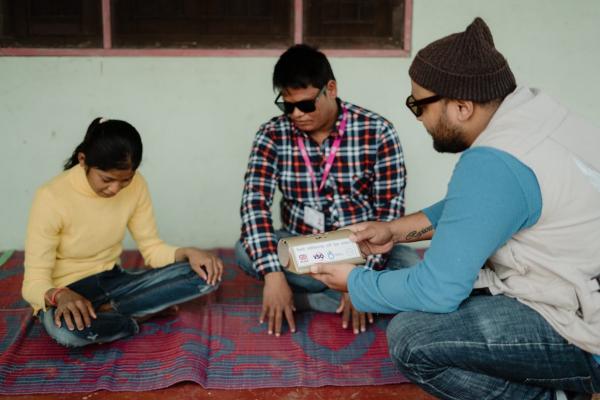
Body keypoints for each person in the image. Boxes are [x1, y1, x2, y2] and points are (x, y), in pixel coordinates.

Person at [310, 17, 600, 400]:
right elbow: (474, 208)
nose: (418, 118)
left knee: (412, 338)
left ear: (462, 107)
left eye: (420, 105)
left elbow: (437, 291)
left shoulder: (492, 163)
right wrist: (393, 231)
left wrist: (355, 283)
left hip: (586, 331)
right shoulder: (536, 115)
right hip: (581, 285)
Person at [236, 44, 420, 337]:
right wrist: (272, 275)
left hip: (362, 248)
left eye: (306, 104)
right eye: (287, 106)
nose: (296, 114)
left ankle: (310, 299)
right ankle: (347, 296)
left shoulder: (378, 131)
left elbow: (389, 212)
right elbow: (254, 205)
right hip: (304, 246)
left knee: (409, 264)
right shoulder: (271, 134)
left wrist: (360, 282)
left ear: (330, 89)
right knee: (246, 251)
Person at [23, 118, 224, 348]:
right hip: (67, 291)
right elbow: (34, 281)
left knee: (207, 274)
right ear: (83, 160)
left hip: (113, 281)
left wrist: (189, 252)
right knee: (66, 333)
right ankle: (135, 316)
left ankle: (111, 313)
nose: (115, 189)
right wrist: (59, 296)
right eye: (106, 179)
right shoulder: (51, 197)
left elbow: (152, 249)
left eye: (125, 180)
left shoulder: (138, 185)